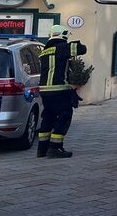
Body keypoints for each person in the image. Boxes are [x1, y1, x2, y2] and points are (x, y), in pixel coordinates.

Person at [37, 25, 87, 159]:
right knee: (65, 115)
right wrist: (74, 42)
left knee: (48, 117)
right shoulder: (62, 47)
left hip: (44, 91)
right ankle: (55, 148)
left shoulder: (44, 50)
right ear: (63, 35)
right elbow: (82, 49)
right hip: (58, 89)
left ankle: (42, 149)